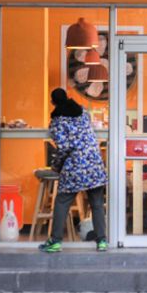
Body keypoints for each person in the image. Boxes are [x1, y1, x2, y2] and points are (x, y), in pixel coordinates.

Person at [39, 88, 109, 253]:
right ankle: (101, 241)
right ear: (68, 97)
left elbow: (64, 148)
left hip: (75, 165)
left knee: (62, 201)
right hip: (94, 162)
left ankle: (55, 241)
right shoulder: (83, 113)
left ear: (53, 103)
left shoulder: (57, 122)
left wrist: (56, 165)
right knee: (97, 203)